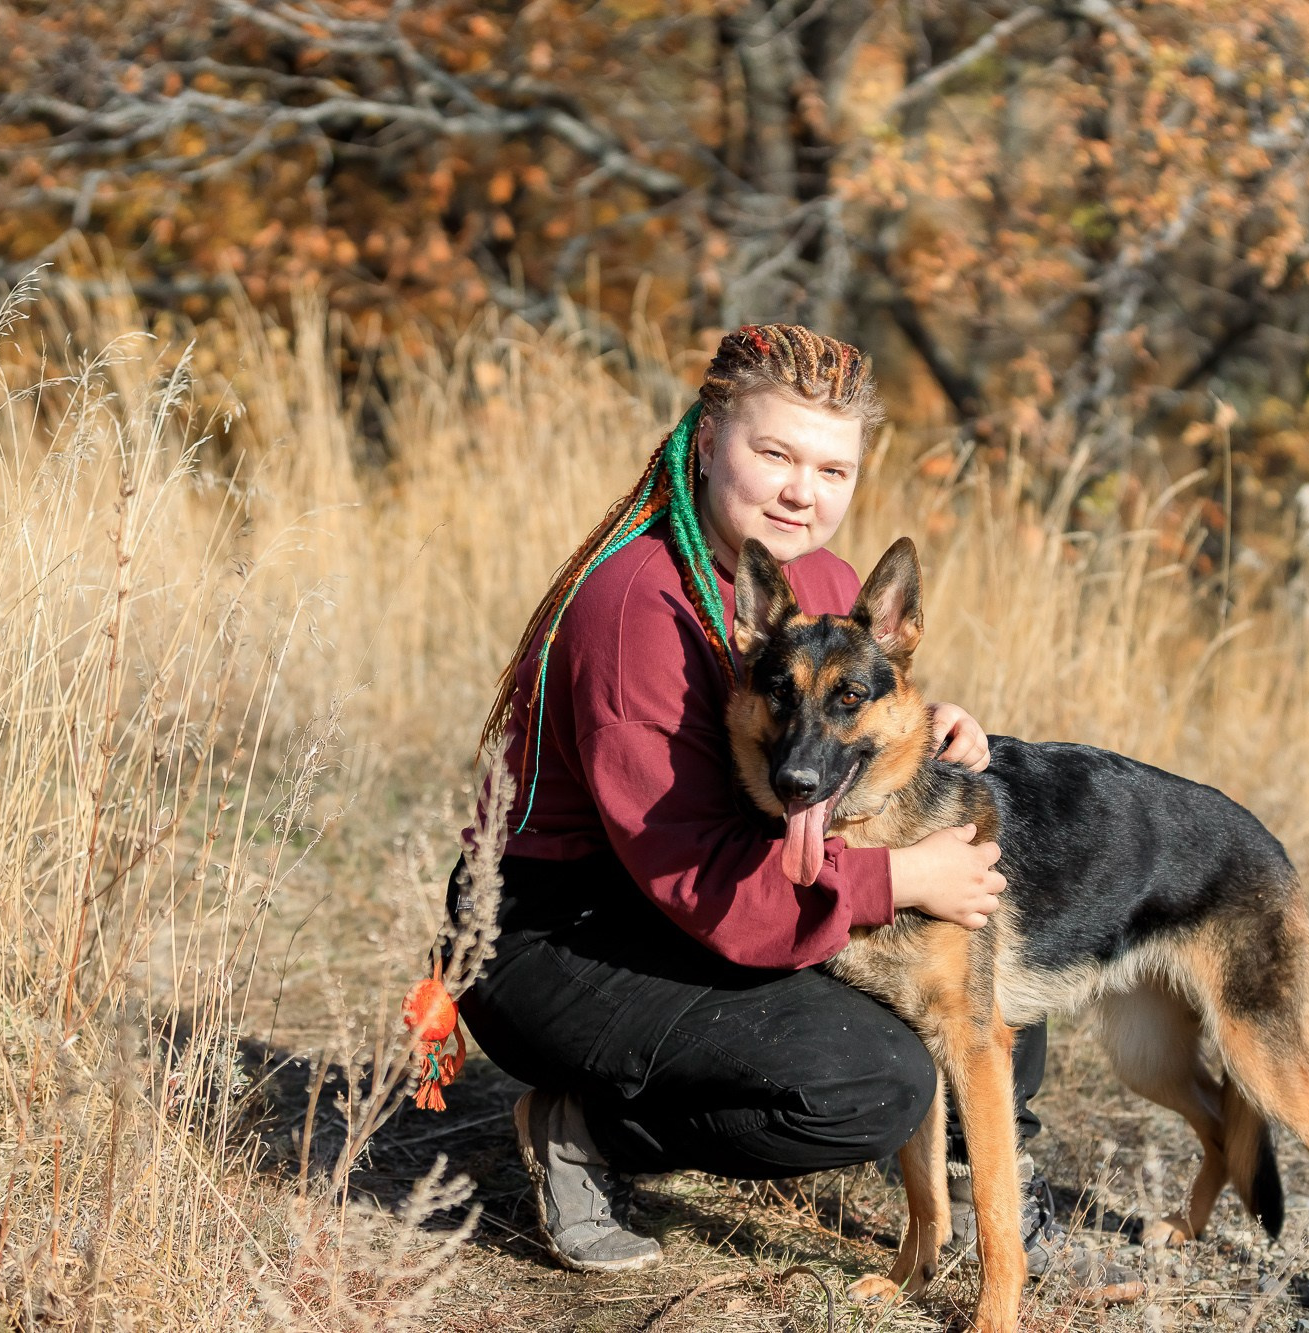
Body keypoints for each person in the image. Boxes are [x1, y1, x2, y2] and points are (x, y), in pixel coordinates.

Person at [447, 323, 1134, 1294]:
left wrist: (925, 728)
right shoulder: (636, 606)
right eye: (771, 453)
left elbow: (840, 706)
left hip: (695, 894)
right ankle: (585, 1128)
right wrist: (899, 877)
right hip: (561, 928)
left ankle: (969, 1219)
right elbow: (697, 879)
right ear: (705, 438)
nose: (799, 491)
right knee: (873, 1085)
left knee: (989, 1039)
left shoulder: (820, 581)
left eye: (831, 468)